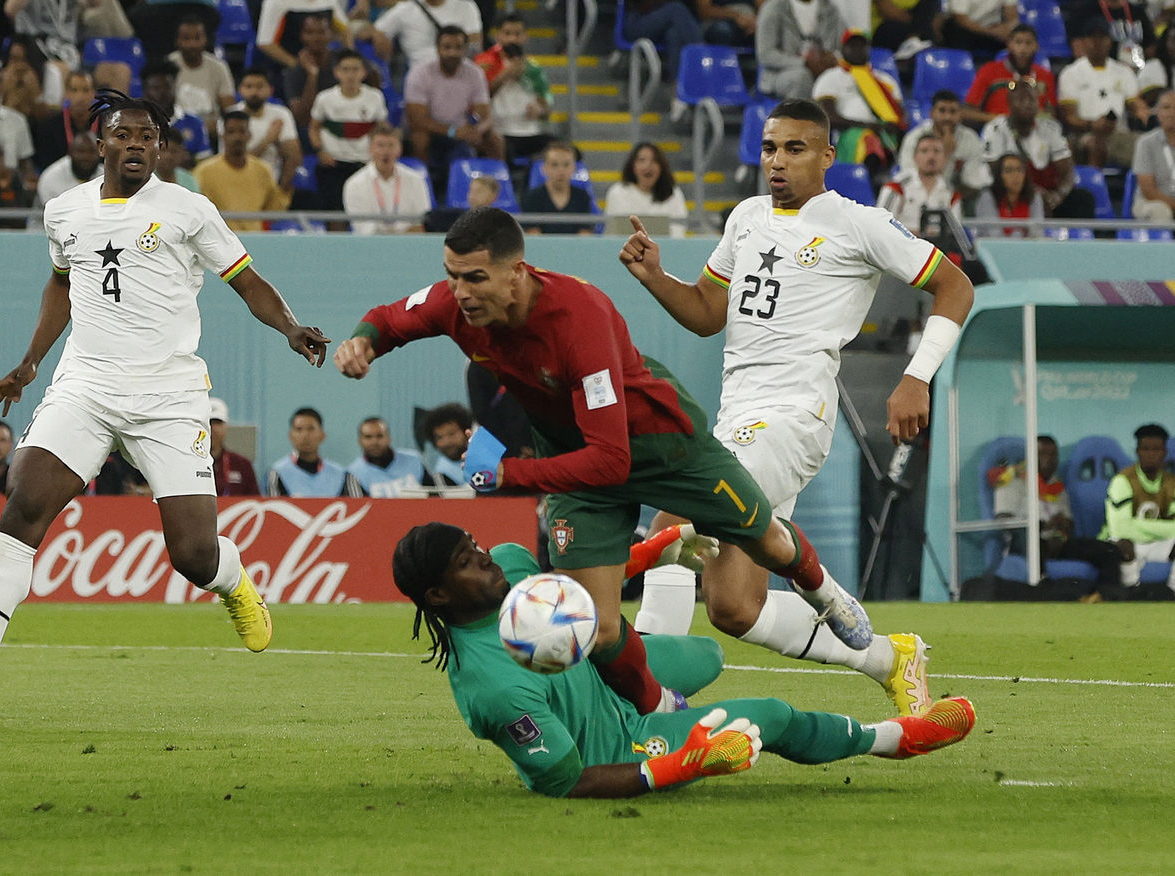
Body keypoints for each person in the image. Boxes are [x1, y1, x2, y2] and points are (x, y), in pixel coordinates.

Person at [335, 206, 888, 719]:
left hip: (662, 446)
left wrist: (513, 475)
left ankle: (826, 594)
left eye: (473, 278)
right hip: (575, 465)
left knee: (767, 540)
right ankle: (665, 712)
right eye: (451, 275)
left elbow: (611, 458)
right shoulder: (453, 305)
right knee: (596, 630)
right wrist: (362, 343)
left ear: (515, 273)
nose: (458, 292)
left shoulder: (580, 318)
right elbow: (387, 318)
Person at [0, 88, 331, 735]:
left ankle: (232, 580)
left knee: (192, 554)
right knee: (21, 509)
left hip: (169, 396)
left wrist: (289, 326)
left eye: (148, 137)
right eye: (124, 134)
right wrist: (30, 364)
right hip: (85, 385)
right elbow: (62, 283)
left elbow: (246, 281)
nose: (136, 145)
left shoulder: (188, 210)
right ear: (99, 142)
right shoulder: (65, 211)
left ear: (160, 148)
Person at [617, 98, 975, 716]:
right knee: (735, 606)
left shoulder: (859, 222)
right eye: (769, 148)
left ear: (828, 156)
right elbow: (708, 311)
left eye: (795, 148)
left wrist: (917, 377)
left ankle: (641, 706)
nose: (777, 162)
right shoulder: (747, 217)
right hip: (737, 417)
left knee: (672, 525)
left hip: (792, 416)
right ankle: (890, 659)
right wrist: (655, 276)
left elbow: (955, 286)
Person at [390, 522, 976, 797]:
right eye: (470, 563)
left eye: (478, 547)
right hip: (624, 746)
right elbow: (566, 781)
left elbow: (588, 581)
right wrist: (687, 763)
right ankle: (897, 736)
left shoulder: (514, 563)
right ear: (439, 596)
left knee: (707, 654)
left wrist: (656, 548)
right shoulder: (490, 689)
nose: (489, 560)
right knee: (767, 715)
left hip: (613, 688)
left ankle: (666, 697)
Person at [987, 434, 1124, 600]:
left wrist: (1064, 525)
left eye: (1054, 455)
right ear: (1031, 456)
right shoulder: (1013, 481)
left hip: (1059, 543)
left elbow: (1068, 523)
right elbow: (1004, 523)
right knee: (1033, 542)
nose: (1050, 460)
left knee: (1108, 551)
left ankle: (1106, 598)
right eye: (1044, 454)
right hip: (1027, 544)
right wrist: (1043, 526)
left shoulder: (1057, 486)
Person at [405, 26, 503, 200]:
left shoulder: (475, 73)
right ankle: (423, 194)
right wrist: (452, 131)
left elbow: (486, 116)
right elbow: (417, 119)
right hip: (431, 131)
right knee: (420, 138)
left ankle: (496, 194)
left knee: (494, 139)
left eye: (458, 48)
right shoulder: (420, 73)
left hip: (461, 131)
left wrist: (477, 130)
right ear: (437, 48)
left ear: (465, 49)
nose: (452, 53)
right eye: (447, 47)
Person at [980, 79, 1095, 219]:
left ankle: (1084, 239)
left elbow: (1067, 171)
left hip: (1047, 196)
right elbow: (993, 172)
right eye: (1021, 100)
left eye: (1031, 99)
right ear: (1009, 103)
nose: (1027, 104)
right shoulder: (995, 129)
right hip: (1012, 194)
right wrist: (1032, 193)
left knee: (1083, 198)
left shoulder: (1050, 128)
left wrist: (1058, 196)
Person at [309, 48, 388, 223]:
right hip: (333, 163)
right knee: (335, 215)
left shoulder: (375, 97)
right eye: (345, 69)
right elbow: (314, 128)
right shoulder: (325, 98)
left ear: (363, 72)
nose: (350, 74)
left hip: (363, 163)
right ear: (337, 72)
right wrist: (321, 151)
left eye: (355, 69)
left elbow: (381, 129)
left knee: (367, 214)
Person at [1057, 18, 1148, 169]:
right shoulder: (1071, 73)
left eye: (1102, 37)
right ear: (1084, 42)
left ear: (1110, 41)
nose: (1097, 42)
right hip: (1084, 135)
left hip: (1118, 133)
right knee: (1095, 144)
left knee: (1150, 143)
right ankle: (1094, 188)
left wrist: (1143, 112)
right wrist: (1092, 125)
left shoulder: (1123, 72)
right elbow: (1069, 117)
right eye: (1092, 37)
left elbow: (1136, 105)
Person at [812, 29, 905, 177]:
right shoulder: (830, 77)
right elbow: (828, 118)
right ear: (843, 48)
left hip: (886, 132)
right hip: (848, 134)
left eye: (862, 45)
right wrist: (868, 126)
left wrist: (890, 126)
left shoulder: (885, 80)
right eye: (852, 45)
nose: (858, 49)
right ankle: (871, 185)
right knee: (868, 140)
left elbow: (900, 115)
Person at [473, 14, 554, 174]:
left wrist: (540, 110)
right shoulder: (484, 63)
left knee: (567, 150)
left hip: (530, 132)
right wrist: (504, 76)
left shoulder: (534, 68)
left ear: (525, 37)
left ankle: (531, 174)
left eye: (517, 34)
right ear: (498, 36)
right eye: (507, 33)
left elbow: (547, 107)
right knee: (498, 148)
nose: (512, 39)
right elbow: (477, 100)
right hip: (500, 132)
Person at [1101, 424, 1175, 594]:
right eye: (1145, 449)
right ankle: (1129, 591)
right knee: (1123, 544)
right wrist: (1164, 529)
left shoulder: (1171, 483)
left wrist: (1137, 525)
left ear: (1164, 452)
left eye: (1156, 449)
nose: (1151, 455)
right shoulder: (1123, 481)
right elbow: (1120, 528)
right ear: (1137, 452)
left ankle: (1171, 593)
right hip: (1126, 543)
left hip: (1156, 544)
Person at [195, 109, 292, 231]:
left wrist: (286, 185)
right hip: (220, 241)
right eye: (231, 132)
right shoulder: (204, 172)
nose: (237, 137)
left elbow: (273, 210)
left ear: (249, 135)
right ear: (223, 136)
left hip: (256, 240)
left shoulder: (263, 170)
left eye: (242, 131)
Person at [341, 122, 432, 234]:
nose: (386, 151)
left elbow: (421, 222)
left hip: (408, 245)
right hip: (370, 246)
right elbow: (362, 228)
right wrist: (400, 233)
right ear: (370, 149)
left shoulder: (415, 180)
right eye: (380, 145)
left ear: (399, 149)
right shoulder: (354, 184)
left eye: (391, 145)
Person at [901, 93, 992, 202]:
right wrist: (946, 154)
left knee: (984, 196)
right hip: (918, 195)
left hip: (959, 198)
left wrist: (949, 199)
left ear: (960, 115)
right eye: (942, 111)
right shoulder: (914, 138)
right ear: (932, 113)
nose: (947, 117)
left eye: (953, 112)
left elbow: (973, 182)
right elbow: (909, 177)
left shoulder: (970, 138)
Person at [962, 24, 1057, 127]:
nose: (1023, 48)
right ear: (1009, 45)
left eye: (1028, 43)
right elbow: (968, 112)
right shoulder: (989, 71)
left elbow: (1052, 113)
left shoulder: (1045, 76)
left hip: (1035, 131)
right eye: (1018, 42)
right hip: (998, 130)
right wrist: (999, 120)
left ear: (1036, 46)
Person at [754, 0, 844, 101]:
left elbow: (840, 46)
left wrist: (832, 58)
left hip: (822, 68)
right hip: (780, 73)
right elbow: (765, 54)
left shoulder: (829, 8)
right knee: (802, 77)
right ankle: (800, 115)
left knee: (842, 76)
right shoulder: (773, 8)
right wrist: (805, 63)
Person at [876, 132, 962, 234]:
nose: (931, 156)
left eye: (937, 151)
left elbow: (955, 233)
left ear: (944, 158)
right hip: (901, 245)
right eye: (924, 151)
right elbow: (880, 225)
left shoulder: (951, 194)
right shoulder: (896, 187)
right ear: (915, 157)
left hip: (937, 248)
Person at [231, 67, 303, 189]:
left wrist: (280, 193)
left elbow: (295, 157)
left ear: (270, 90)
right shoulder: (231, 116)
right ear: (240, 90)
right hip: (236, 184)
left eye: (259, 87)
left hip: (271, 185)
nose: (254, 92)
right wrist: (268, 140)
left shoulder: (281, 114)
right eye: (249, 87)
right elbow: (232, 161)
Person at [168, 16, 237, 140]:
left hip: (210, 132)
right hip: (175, 131)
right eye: (186, 38)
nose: (192, 44)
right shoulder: (168, 65)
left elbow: (230, 110)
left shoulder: (219, 67)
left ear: (206, 39)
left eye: (197, 38)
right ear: (177, 41)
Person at [267, 406, 361, 496]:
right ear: (290, 435)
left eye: (311, 429)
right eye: (299, 429)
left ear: (322, 435)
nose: (305, 435)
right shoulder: (278, 474)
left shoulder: (342, 476)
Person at [365, 0, 483, 67]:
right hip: (421, 72)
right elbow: (370, 31)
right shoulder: (406, 8)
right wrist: (380, 37)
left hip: (458, 68)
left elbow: (475, 43)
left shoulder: (465, 5)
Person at [604, 142, 687, 237]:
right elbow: (614, 232)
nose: (648, 166)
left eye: (654, 161)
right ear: (633, 166)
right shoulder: (618, 192)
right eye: (642, 160)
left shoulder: (673, 193)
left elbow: (678, 231)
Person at [141, 60, 213, 164]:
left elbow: (204, 161)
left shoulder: (195, 123)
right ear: (145, 91)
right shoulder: (138, 123)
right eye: (156, 88)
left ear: (175, 87)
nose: (162, 93)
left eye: (167, 86)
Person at [346, 415, 435, 497]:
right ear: (359, 441)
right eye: (368, 437)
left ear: (389, 438)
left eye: (380, 436)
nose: (374, 442)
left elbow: (435, 496)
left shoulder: (414, 460)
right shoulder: (354, 473)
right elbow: (360, 507)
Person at [520, 140, 595, 235]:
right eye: (554, 165)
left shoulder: (582, 197)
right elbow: (533, 235)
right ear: (544, 168)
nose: (561, 171)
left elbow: (585, 234)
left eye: (566, 165)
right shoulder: (532, 197)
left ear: (574, 168)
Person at [256, 0, 353, 70]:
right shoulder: (276, 2)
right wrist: (296, 65)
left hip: (325, 65)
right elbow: (265, 43)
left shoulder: (329, 2)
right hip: (287, 68)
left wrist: (350, 58)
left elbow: (345, 31)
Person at [32, 69, 95, 171]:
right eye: (74, 90)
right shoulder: (48, 127)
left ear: (94, 93)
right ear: (66, 93)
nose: (80, 97)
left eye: (86, 90)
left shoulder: (105, 126)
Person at [973, 152, 1045, 236]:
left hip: (1026, 248)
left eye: (1019, 170)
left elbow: (1037, 234)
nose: (1016, 175)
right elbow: (992, 235)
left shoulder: (1034, 197)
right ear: (999, 175)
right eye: (1008, 171)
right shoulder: (987, 197)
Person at [1131, 89, 1175, 220]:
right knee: (1160, 211)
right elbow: (1148, 191)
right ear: (1158, 113)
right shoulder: (1146, 143)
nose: (1172, 113)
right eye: (1167, 107)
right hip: (1151, 202)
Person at [34, 131, 103, 210]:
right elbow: (52, 212)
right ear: (70, 152)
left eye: (91, 151)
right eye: (81, 151)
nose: (86, 157)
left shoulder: (107, 176)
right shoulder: (51, 177)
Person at [206, 397, 260, 496]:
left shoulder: (242, 465)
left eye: (217, 422)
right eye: (209, 422)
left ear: (226, 426)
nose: (212, 428)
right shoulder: (191, 463)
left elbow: (254, 500)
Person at [939, 0, 1018, 56]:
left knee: (1017, 34)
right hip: (966, 28)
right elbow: (961, 19)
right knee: (956, 31)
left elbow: (1011, 13)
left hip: (993, 26)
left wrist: (1007, 27)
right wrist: (990, 32)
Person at [422, 401, 473, 484]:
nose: (446, 442)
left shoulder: (487, 461)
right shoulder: (439, 476)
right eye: (439, 437)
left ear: (467, 432)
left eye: (451, 434)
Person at [155, 126, 199, 192]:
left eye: (173, 151)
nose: (168, 156)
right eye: (163, 150)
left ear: (182, 153)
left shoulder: (188, 179)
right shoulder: (145, 178)